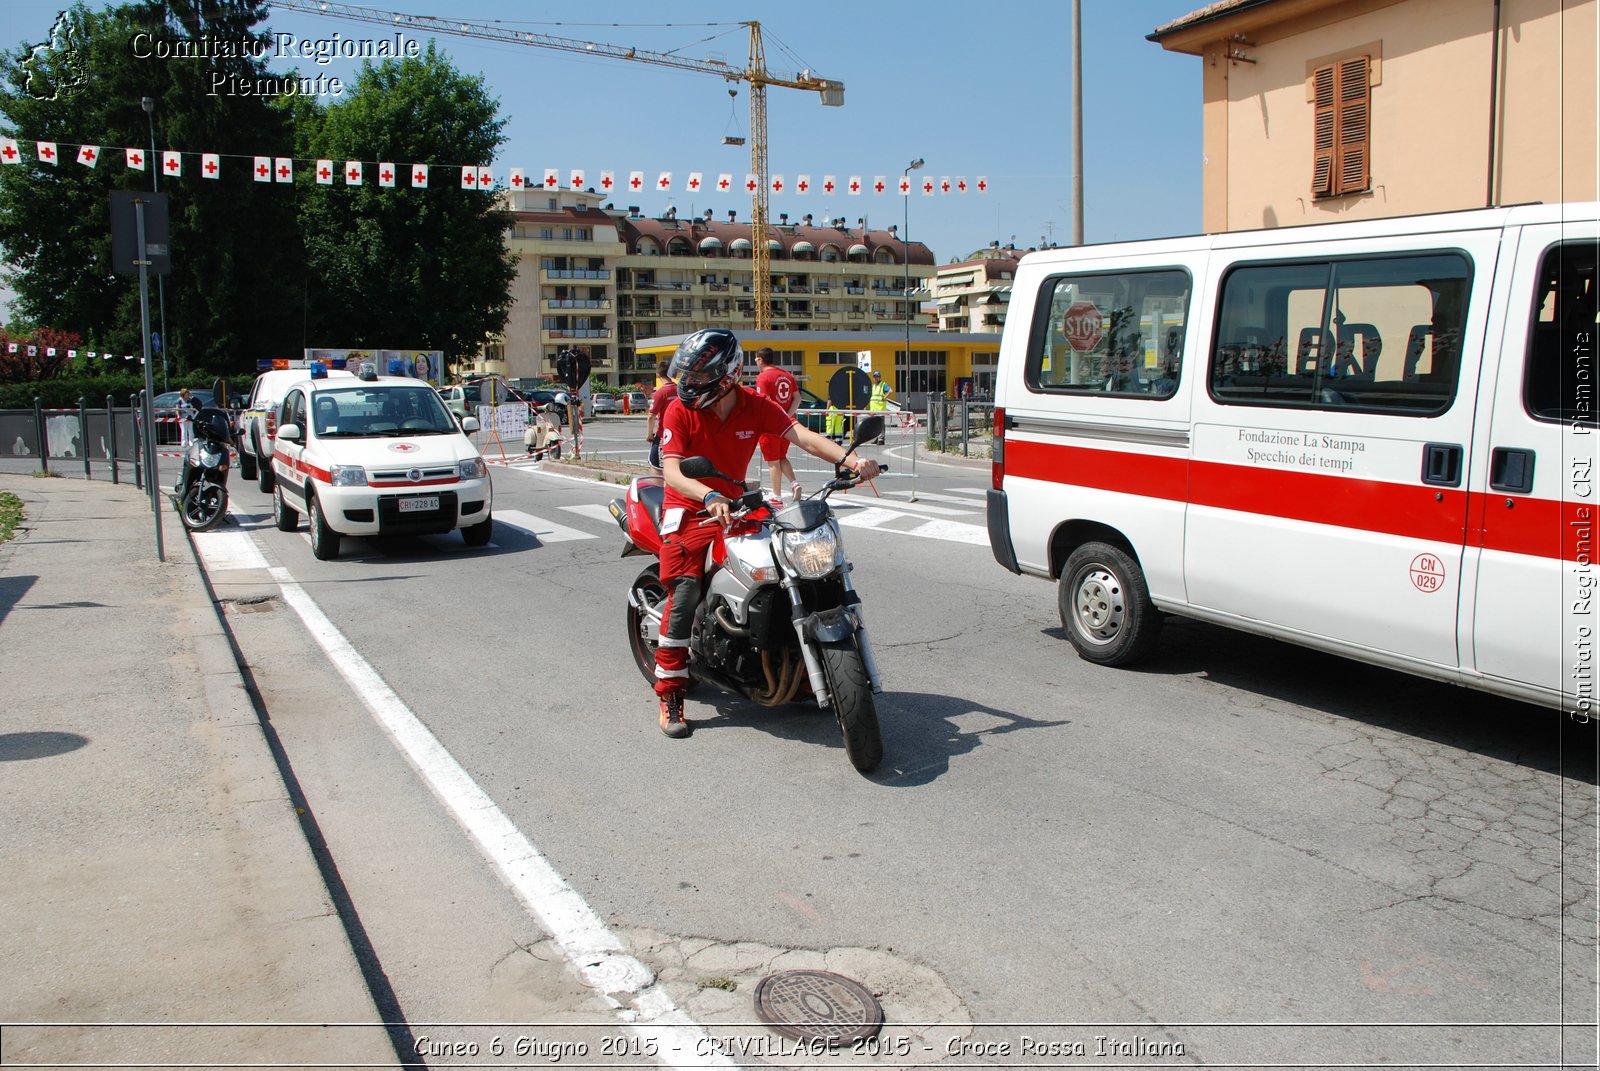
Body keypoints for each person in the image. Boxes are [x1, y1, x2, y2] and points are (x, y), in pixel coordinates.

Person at [652, 328, 879, 739]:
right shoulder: (677, 410)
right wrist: (707, 497)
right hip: (689, 508)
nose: (688, 384)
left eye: (698, 377)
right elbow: (671, 470)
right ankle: (670, 693)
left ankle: (800, 663)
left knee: (790, 565)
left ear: (727, 376)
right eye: (686, 375)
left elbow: (803, 436)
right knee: (684, 593)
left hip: (738, 506)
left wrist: (853, 459)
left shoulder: (754, 405)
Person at [752, 346, 802, 502]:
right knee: (781, 457)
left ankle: (777, 496)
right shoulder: (787, 375)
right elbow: (797, 398)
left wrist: (777, 416)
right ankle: (794, 483)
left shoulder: (763, 377)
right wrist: (787, 415)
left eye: (756, 359)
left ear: (760, 359)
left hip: (771, 426)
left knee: (773, 462)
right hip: (787, 425)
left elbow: (764, 401)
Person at [645, 358, 677, 472]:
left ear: (658, 374)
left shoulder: (660, 393)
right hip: (679, 436)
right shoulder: (679, 390)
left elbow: (651, 416)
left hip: (663, 436)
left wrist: (649, 435)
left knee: (656, 469)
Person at [867, 370, 892, 444]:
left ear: (880, 377)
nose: (876, 378)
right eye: (874, 376)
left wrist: (885, 398)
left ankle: (881, 439)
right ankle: (877, 438)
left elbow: (890, 391)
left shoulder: (883, 385)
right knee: (874, 425)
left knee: (880, 424)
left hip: (880, 409)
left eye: (877, 376)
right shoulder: (873, 386)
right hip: (874, 409)